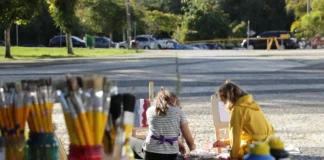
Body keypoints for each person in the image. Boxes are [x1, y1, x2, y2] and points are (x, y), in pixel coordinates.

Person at [213, 80, 274, 160]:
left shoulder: (237, 109)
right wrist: (226, 142)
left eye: (223, 102)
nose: (224, 104)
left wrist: (233, 156)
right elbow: (249, 133)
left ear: (228, 99)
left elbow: (235, 135)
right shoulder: (250, 103)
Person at [130, 90, 196, 160]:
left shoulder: (149, 110)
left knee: (130, 141)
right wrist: (193, 150)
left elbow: (155, 130)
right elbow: (189, 141)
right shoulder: (179, 112)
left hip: (151, 152)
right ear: (175, 101)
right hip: (171, 154)